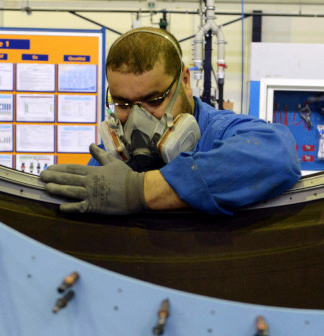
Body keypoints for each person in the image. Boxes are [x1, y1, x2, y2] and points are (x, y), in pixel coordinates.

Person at [39, 26, 301, 215]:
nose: (135, 120)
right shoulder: (109, 162)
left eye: (154, 100)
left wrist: (138, 191)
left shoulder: (217, 132)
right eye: (123, 104)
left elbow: (277, 153)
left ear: (185, 82)